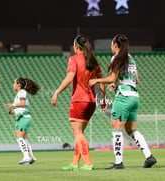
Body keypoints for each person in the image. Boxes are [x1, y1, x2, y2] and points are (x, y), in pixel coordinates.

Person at [89, 34, 157, 169]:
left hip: (123, 97)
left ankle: (118, 162)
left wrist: (97, 80)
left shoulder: (116, 58)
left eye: (111, 44)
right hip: (134, 96)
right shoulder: (131, 59)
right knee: (132, 129)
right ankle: (149, 156)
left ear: (115, 45)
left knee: (116, 128)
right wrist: (117, 83)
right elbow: (135, 80)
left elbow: (111, 77)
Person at [51, 34, 107, 171]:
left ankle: (88, 163)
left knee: (78, 133)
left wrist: (57, 92)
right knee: (79, 133)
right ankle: (75, 163)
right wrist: (104, 100)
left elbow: (70, 77)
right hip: (91, 102)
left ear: (76, 47)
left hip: (78, 100)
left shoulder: (74, 59)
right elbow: (101, 82)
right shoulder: (93, 61)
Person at [5, 78, 40, 165]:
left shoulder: (21, 92)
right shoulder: (21, 92)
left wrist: (12, 105)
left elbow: (23, 103)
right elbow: (22, 106)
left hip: (23, 117)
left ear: (19, 84)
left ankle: (26, 157)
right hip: (25, 116)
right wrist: (14, 111)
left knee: (19, 137)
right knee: (23, 138)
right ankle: (31, 157)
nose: (13, 84)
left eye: (14, 82)